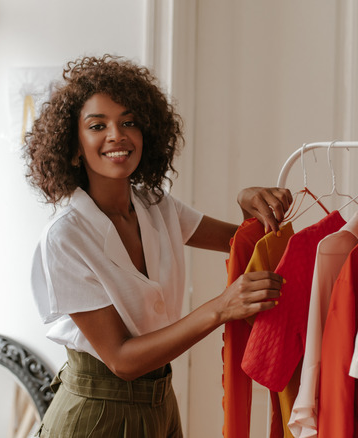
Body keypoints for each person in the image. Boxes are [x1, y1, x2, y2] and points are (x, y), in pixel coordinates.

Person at [24, 54, 292, 437]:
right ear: (73, 146)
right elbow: (121, 360)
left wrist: (245, 198)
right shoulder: (66, 237)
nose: (117, 135)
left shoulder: (156, 205)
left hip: (160, 403)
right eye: (98, 125)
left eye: (128, 122)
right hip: (96, 414)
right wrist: (221, 308)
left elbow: (245, 243)